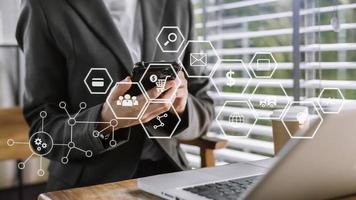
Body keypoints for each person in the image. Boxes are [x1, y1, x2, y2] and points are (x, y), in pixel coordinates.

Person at [16, 0, 214, 191]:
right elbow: (42, 132)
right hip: (90, 184)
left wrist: (182, 108)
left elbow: (205, 107)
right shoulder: (44, 5)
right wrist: (104, 121)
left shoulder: (178, 4)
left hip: (168, 175)